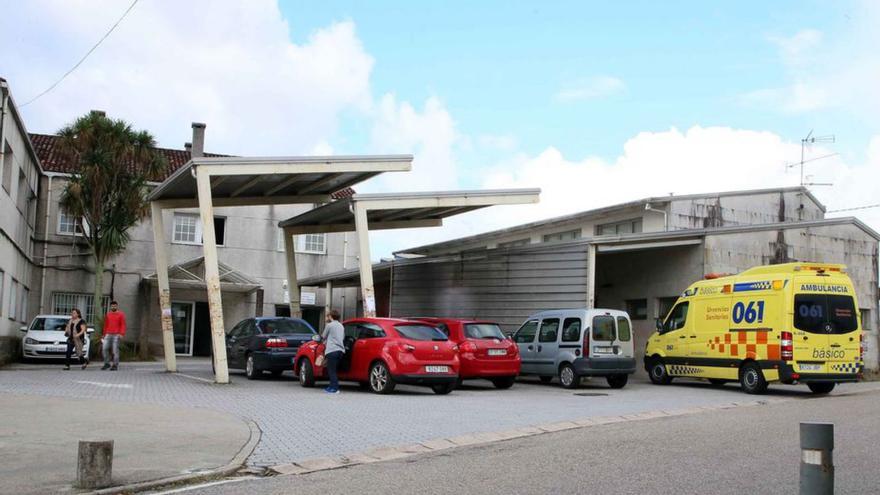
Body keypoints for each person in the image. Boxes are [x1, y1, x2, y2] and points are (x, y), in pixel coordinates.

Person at [321, 309, 345, 394]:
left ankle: (334, 389)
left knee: (331, 370)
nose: (327, 317)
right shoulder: (341, 326)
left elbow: (323, 336)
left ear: (330, 316)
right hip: (340, 350)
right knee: (333, 370)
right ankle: (331, 386)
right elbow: (342, 338)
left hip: (332, 350)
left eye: (328, 316)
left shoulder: (329, 325)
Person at [101, 301, 126, 370]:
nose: (113, 307)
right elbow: (105, 325)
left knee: (115, 351)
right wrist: (103, 334)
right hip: (108, 334)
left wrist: (122, 333)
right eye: (112, 306)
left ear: (117, 306)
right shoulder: (108, 314)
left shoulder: (121, 314)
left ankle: (115, 365)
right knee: (104, 349)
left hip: (116, 334)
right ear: (110, 307)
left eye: (115, 306)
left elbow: (123, 324)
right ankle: (107, 363)